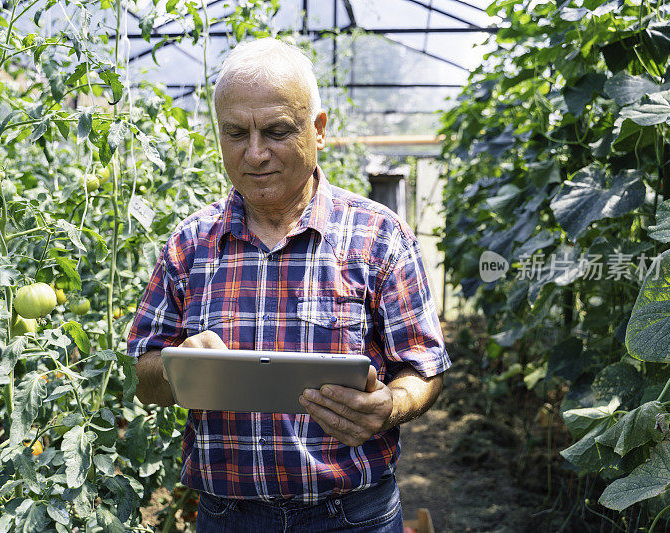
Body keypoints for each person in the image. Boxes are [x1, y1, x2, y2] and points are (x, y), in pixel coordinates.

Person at [127, 37, 451, 532]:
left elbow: (424, 368)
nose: (255, 154)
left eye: (277, 131)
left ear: (318, 130)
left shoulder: (377, 236)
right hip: (227, 516)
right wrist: (180, 366)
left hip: (352, 515)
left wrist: (389, 406)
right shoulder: (191, 244)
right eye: (236, 133)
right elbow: (142, 376)